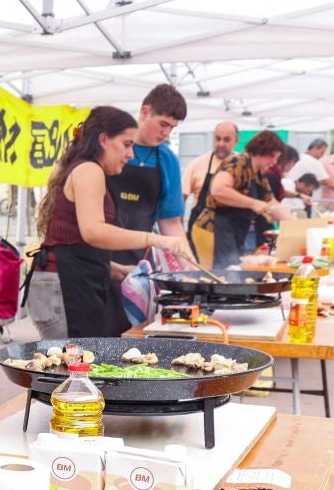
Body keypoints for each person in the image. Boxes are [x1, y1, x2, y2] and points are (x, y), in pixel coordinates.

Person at [34, 106, 196, 337]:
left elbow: (73, 239)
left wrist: (113, 268)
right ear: (103, 140)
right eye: (127, 144)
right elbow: (93, 231)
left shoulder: (86, 168)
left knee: (78, 364)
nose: (131, 155)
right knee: (69, 367)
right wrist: (156, 239)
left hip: (71, 279)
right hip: (63, 285)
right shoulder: (90, 170)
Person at [104, 84, 188, 333]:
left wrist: (192, 271)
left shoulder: (167, 159)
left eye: (172, 127)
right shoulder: (110, 147)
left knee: (136, 338)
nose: (166, 132)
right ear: (145, 111)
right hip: (99, 256)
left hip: (138, 263)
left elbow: (172, 224)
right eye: (163, 123)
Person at [191, 130, 289, 269]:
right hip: (213, 229)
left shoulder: (258, 176)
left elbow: (272, 204)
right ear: (262, 150)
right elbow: (219, 190)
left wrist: (297, 226)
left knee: (232, 272)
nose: (274, 162)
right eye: (273, 156)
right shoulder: (237, 162)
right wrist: (253, 203)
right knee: (216, 275)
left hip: (233, 232)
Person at [183, 121, 239, 226]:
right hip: (199, 232)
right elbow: (181, 199)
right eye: (217, 139)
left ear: (236, 141)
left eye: (226, 140)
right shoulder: (197, 164)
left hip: (231, 231)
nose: (221, 144)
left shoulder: (243, 166)